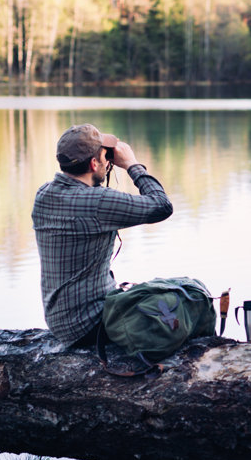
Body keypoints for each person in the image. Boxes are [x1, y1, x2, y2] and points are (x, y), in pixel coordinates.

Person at [32, 123, 173, 349]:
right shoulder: (97, 202)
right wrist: (132, 165)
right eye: (104, 155)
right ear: (94, 163)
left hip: (60, 322)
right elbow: (162, 206)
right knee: (180, 297)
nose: (109, 161)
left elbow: (84, 199)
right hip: (90, 324)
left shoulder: (44, 194)